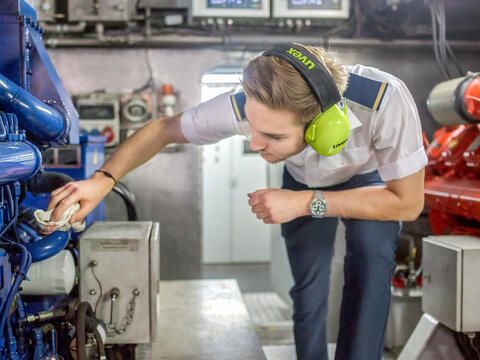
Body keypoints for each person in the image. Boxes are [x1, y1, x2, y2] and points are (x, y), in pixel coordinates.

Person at [47, 43, 427, 360]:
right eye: (252, 128)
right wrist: (101, 180)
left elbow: (407, 203)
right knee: (308, 287)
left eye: (272, 137)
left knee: (370, 259)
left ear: (324, 127)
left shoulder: (384, 101)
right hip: (301, 180)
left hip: (370, 184)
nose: (255, 145)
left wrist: (306, 203)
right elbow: (164, 129)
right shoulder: (247, 104)